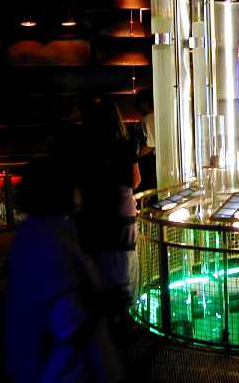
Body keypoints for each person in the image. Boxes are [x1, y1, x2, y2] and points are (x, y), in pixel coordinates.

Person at [6, 156, 123, 383]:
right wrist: (105, 303)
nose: (79, 188)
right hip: (65, 372)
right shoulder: (52, 240)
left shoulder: (30, 233)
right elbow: (69, 319)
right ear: (58, 190)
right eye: (73, 183)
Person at [76, 99, 141, 334]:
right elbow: (135, 180)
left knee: (102, 257)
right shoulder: (126, 144)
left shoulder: (86, 145)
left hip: (97, 210)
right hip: (123, 208)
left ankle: (107, 316)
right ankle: (125, 314)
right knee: (124, 258)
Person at [134, 89, 157, 193]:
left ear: (146, 102)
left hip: (150, 163)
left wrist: (135, 156)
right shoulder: (155, 117)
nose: (137, 105)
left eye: (139, 101)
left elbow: (150, 145)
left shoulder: (149, 118)